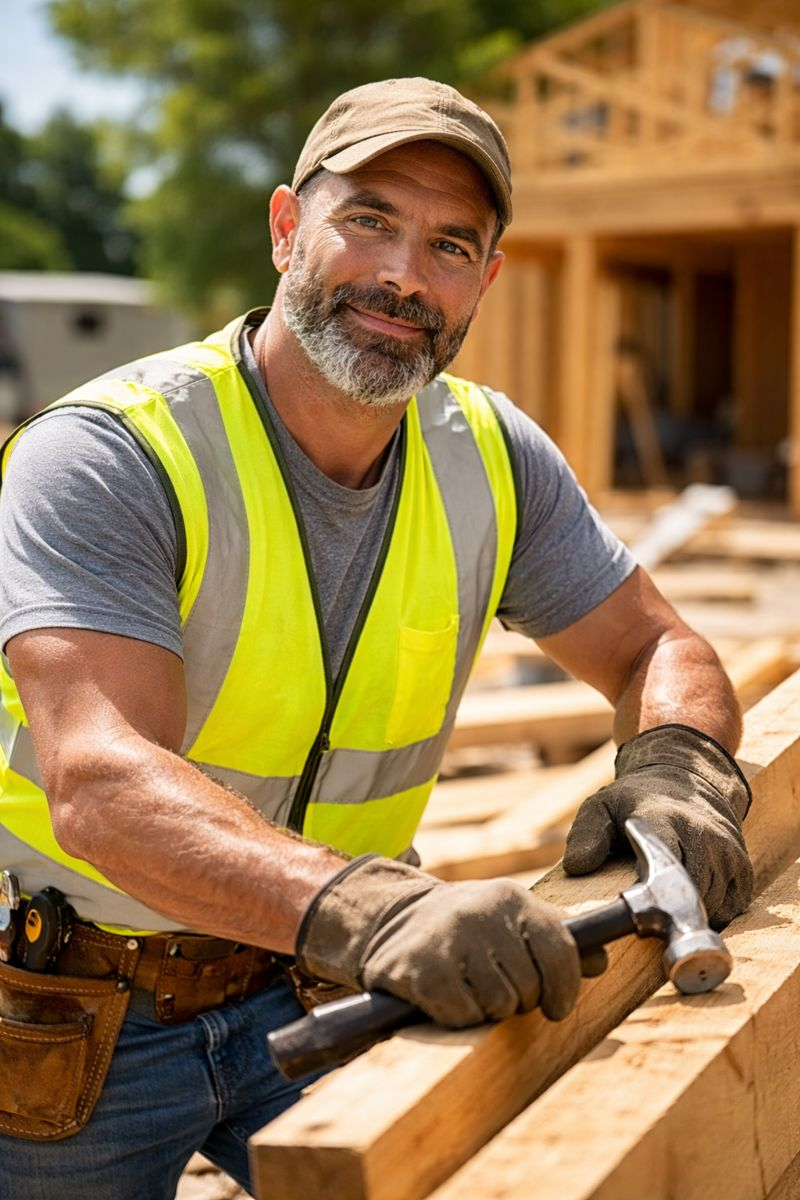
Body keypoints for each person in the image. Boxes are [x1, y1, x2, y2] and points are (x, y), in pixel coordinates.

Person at [0, 77, 753, 1199]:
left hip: (332, 985)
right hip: (81, 1009)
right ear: (284, 227)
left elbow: (655, 647)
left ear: (485, 282)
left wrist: (678, 768)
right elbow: (100, 781)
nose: (405, 276)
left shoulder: (490, 456)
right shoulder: (116, 451)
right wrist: (378, 907)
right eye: (368, 220)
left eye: (451, 245)